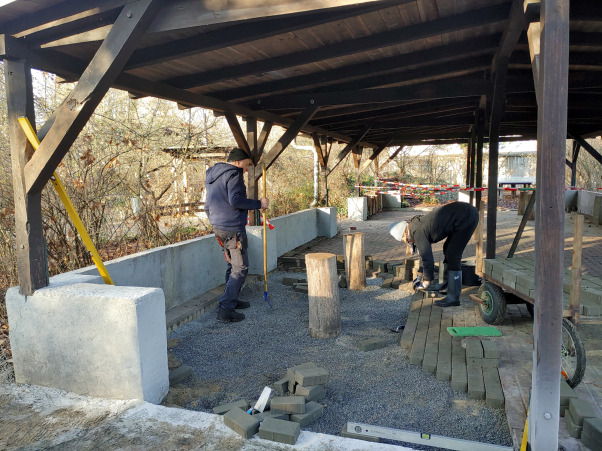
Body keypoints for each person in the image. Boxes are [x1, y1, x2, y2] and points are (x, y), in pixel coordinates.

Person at [205, 148, 269, 323]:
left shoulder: (213, 176)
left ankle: (232, 299)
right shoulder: (234, 174)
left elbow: (207, 206)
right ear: (238, 162)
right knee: (240, 268)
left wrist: (216, 222)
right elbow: (236, 200)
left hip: (219, 227)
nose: (246, 170)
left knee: (232, 265)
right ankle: (226, 309)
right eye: (246, 165)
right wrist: (259, 204)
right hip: (232, 228)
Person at [389, 201, 479, 307]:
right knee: (447, 249)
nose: (405, 242)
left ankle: (453, 298)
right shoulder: (414, 226)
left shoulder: (417, 232)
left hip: (466, 216)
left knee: (453, 254)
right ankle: (445, 285)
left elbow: (427, 258)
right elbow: (423, 253)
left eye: (403, 240)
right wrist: (419, 276)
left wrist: (426, 282)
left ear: (404, 233)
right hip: (464, 213)